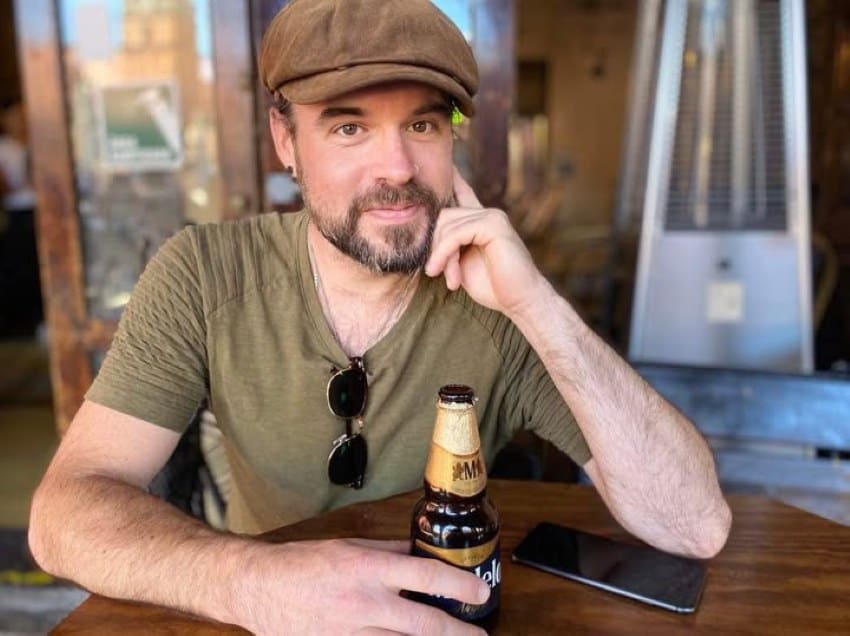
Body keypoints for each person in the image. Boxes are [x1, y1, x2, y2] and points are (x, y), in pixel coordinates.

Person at [28, 1, 731, 634]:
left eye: (422, 123)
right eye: (349, 127)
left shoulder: (497, 302)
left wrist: (536, 305)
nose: (395, 166)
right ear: (285, 143)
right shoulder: (205, 274)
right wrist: (252, 583)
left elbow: (694, 525)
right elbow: (63, 515)